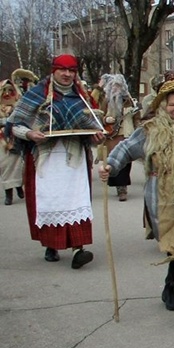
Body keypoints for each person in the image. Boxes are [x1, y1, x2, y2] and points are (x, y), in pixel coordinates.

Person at [99, 79, 174, 330]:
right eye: (171, 104)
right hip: (168, 199)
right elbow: (126, 148)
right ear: (162, 107)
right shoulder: (152, 130)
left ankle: (170, 292)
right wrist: (109, 165)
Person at [8, 54, 104, 268]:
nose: (67, 74)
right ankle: (51, 245)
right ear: (53, 70)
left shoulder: (81, 97)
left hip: (74, 158)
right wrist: (30, 135)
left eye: (71, 70)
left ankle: (79, 248)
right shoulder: (36, 94)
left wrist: (95, 135)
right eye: (62, 69)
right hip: (45, 159)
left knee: (76, 200)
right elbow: (14, 125)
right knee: (49, 201)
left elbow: (90, 126)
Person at [98, 74, 139, 201]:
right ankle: (118, 186)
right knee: (114, 161)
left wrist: (139, 128)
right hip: (112, 136)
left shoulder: (129, 100)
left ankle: (123, 188)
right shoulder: (106, 101)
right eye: (114, 86)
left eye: (119, 86)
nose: (116, 88)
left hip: (127, 134)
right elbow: (99, 116)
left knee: (126, 163)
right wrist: (106, 119)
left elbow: (137, 117)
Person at [1, 79, 24, 205]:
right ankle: (8, 193)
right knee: (4, 167)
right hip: (1, 143)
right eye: (4, 90)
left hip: (14, 140)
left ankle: (19, 187)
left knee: (16, 166)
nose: (7, 93)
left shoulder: (17, 106)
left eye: (10, 90)